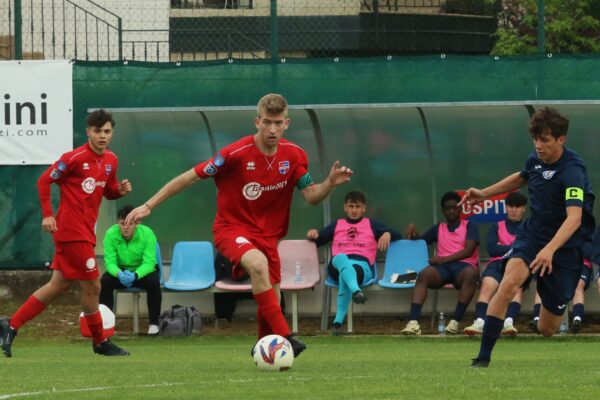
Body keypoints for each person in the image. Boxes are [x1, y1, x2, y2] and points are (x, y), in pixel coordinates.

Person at [125, 94, 353, 357]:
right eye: (267, 122)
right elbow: (189, 178)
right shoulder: (234, 154)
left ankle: (264, 353)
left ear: (287, 123)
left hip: (269, 237)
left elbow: (312, 196)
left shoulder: (294, 155)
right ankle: (287, 337)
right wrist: (149, 205)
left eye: (278, 123)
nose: (272, 129)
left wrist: (329, 184)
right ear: (257, 121)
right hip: (231, 230)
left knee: (271, 299)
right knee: (257, 264)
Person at [461, 107, 595, 368]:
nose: (539, 145)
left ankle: (549, 299)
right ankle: (483, 358)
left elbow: (574, 219)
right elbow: (523, 177)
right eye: (536, 139)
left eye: (545, 140)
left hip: (565, 248)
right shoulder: (535, 159)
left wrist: (550, 251)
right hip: (532, 236)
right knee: (508, 283)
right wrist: (485, 193)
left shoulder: (573, 171)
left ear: (561, 140)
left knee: (548, 328)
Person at [0, 109, 132, 357]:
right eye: (98, 131)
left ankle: (10, 324)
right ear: (88, 132)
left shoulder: (111, 160)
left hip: (84, 231)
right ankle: (100, 341)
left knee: (57, 285)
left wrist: (119, 191)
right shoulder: (73, 158)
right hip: (71, 231)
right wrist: (48, 214)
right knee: (93, 285)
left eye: (107, 131)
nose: (103, 136)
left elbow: (108, 191)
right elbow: (44, 180)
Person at [306, 190, 402, 335]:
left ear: (364, 208)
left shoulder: (372, 224)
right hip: (336, 266)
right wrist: (312, 234)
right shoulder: (336, 225)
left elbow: (397, 234)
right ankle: (356, 291)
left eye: (358, 206)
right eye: (351, 206)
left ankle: (337, 323)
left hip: (361, 267)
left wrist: (387, 233)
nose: (354, 210)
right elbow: (318, 240)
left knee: (345, 273)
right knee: (340, 259)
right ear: (345, 207)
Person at [401, 191, 480, 335]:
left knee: (471, 274)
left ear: (460, 208)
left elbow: (468, 251)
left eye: (454, 207)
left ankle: (455, 322)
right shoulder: (439, 228)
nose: (451, 211)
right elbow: (422, 241)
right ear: (442, 211)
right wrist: (414, 233)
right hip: (443, 269)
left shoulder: (470, 226)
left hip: (463, 267)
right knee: (424, 275)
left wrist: (442, 259)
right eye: (447, 208)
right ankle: (413, 322)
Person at [464, 192, 528, 337]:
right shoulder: (496, 226)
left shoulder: (528, 227)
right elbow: (492, 249)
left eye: (517, 206)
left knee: (516, 289)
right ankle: (479, 322)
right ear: (505, 207)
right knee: (487, 286)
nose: (513, 209)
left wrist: (504, 247)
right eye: (510, 206)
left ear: (524, 208)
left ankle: (508, 322)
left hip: (518, 264)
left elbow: (529, 248)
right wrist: (515, 247)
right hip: (497, 264)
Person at [99, 205, 162, 336]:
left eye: (130, 223)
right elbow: (109, 262)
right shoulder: (110, 234)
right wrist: (119, 273)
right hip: (121, 271)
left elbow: (150, 262)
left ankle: (154, 324)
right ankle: (105, 324)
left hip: (141, 271)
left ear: (137, 223)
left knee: (154, 281)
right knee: (105, 281)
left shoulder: (147, 233)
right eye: (122, 223)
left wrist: (135, 275)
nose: (126, 227)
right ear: (118, 223)